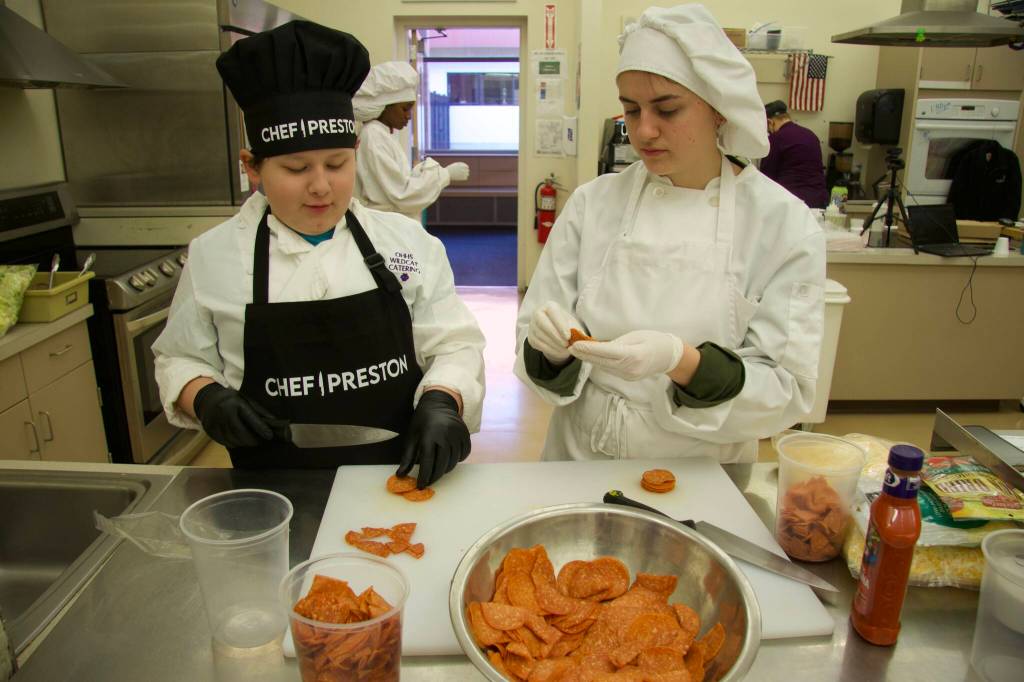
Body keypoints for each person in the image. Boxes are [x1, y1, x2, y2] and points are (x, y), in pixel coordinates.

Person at [153, 21, 485, 486]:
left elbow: (454, 344)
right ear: (253, 167)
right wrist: (204, 396)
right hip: (269, 493)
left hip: (400, 480)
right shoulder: (214, 255)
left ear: (355, 151)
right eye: (295, 168)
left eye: (337, 163)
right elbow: (179, 358)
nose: (321, 186)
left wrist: (443, 400)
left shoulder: (408, 244)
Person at [514, 4, 826, 464]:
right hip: (577, 457)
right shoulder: (593, 203)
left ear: (718, 108)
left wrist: (683, 362)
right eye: (630, 109)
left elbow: (787, 388)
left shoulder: (782, 224)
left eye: (667, 109)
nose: (643, 130)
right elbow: (534, 334)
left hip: (699, 472)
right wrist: (551, 350)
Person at [352, 61, 470, 220]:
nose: (408, 116)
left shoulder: (381, 134)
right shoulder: (373, 135)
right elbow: (403, 195)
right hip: (387, 227)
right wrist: (444, 175)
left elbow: (395, 185)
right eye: (405, 108)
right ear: (384, 106)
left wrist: (420, 172)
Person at [760, 100, 830, 209]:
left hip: (792, 203)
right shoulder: (811, 135)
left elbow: (766, 178)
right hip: (819, 201)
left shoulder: (775, 140)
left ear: (770, 122)